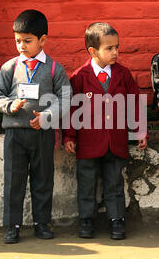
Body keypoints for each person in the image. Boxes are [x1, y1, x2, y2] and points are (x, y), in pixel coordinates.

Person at [0, 9, 71, 244]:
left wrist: (46, 116)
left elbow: (65, 97)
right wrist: (9, 105)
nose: (21, 46)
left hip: (42, 134)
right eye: (17, 41)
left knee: (43, 179)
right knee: (13, 180)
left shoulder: (54, 69)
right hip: (15, 133)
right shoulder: (10, 67)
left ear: (42, 40)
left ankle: (41, 223)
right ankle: (12, 226)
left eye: (27, 41)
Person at [62, 22, 148, 240]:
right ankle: (86, 219)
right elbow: (72, 108)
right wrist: (69, 135)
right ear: (93, 51)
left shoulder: (123, 74)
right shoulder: (80, 77)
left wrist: (140, 130)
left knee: (115, 183)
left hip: (114, 141)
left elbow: (134, 103)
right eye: (109, 48)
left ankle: (117, 219)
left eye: (117, 47)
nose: (115, 52)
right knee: (87, 183)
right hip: (88, 141)